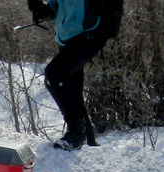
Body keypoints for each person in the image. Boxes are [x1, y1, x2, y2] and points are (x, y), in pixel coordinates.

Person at [27, 0, 109, 150]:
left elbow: (79, 10)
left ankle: (77, 133)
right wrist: (41, 9)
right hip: (67, 38)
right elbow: (56, 10)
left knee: (54, 75)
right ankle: (90, 144)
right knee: (72, 90)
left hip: (88, 35)